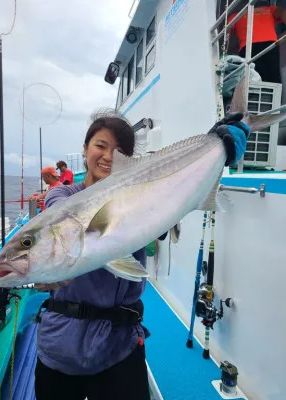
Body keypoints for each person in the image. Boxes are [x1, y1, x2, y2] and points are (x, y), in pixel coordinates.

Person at [34, 111, 250, 400]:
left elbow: (171, 205)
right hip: (62, 344)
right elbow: (59, 218)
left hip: (119, 345)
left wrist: (216, 147)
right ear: (85, 149)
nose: (108, 157)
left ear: (129, 161)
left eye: (120, 151)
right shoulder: (61, 198)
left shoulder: (144, 197)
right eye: (100, 145)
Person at [228, 1, 286, 83]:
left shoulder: (270, 9)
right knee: (251, 79)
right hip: (247, 47)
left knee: (273, 78)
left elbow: (282, 13)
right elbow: (226, 34)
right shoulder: (235, 16)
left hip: (269, 45)